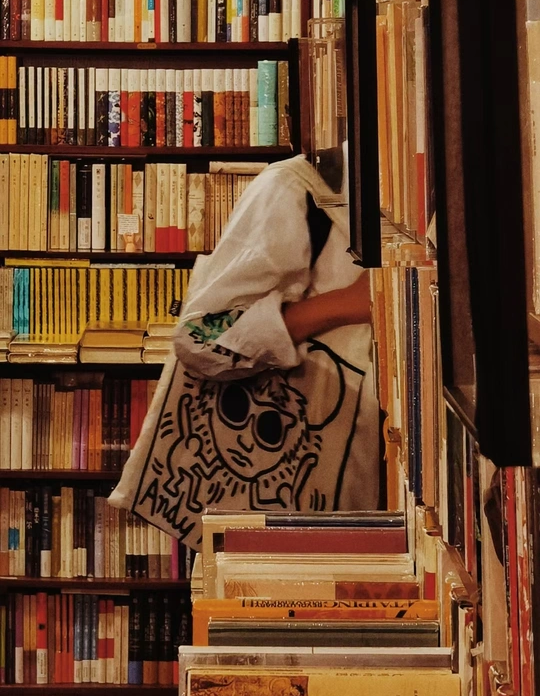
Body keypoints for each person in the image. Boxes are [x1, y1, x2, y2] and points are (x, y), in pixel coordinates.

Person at [109, 140, 381, 548]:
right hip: (283, 533)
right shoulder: (297, 188)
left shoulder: (426, 206)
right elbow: (201, 339)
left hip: (375, 516)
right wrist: (344, 305)